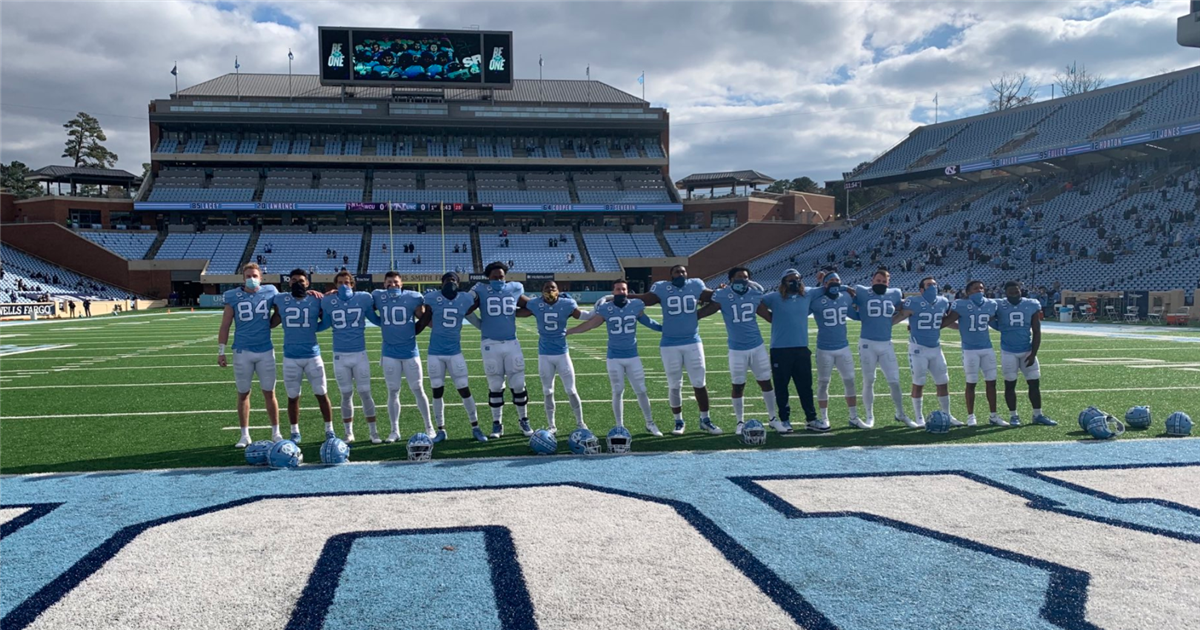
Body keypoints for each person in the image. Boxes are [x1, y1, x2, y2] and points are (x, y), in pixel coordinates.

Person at [623, 264, 719, 435]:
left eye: (683, 271)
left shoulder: (696, 285)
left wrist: (700, 313)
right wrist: (622, 295)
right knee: (674, 384)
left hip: (693, 341)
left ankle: (705, 419)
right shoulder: (662, 288)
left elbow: (716, 298)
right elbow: (645, 299)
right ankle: (678, 421)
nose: (680, 274)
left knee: (699, 382)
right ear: (671, 275)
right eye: (677, 272)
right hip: (670, 343)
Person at [566, 279, 664, 436]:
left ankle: (650, 423)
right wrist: (569, 331)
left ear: (628, 291)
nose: (621, 292)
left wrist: (662, 328)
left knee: (641, 390)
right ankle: (619, 425)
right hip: (614, 358)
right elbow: (590, 324)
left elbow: (647, 321)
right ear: (613, 292)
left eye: (624, 289)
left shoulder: (635, 305)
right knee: (617, 391)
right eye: (618, 289)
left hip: (633, 356)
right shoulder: (606, 308)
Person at [697, 267, 780, 436]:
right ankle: (740, 421)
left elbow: (769, 317)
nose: (743, 280)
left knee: (765, 382)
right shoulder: (722, 295)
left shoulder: (755, 295)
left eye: (746, 277)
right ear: (731, 279)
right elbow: (704, 310)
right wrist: (687, 316)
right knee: (737, 385)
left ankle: (773, 418)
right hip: (736, 349)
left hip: (757, 346)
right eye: (739, 277)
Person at [217, 262, 282, 448]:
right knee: (243, 393)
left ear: (261, 277)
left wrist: (272, 322)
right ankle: (244, 435)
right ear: (242, 278)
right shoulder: (232, 296)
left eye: (254, 275)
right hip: (241, 351)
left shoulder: (271, 291)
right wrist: (221, 351)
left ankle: (276, 431)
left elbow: (279, 312)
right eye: (248, 276)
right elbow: (225, 325)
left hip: (265, 350)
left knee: (270, 392)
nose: (251, 279)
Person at [417, 272, 487, 442]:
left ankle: (475, 426)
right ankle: (441, 429)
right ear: (442, 283)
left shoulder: (464, 298)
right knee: (437, 391)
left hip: (455, 353)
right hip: (435, 353)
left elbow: (476, 304)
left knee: (464, 388)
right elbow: (422, 315)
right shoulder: (432, 297)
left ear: (458, 283)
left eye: (454, 280)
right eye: (448, 280)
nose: (451, 282)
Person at [517, 280, 591, 434]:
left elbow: (583, 315)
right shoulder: (535, 304)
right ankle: (552, 425)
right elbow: (517, 311)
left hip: (562, 353)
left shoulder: (567, 303)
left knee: (571, 390)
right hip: (544, 355)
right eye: (546, 287)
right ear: (541, 291)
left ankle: (580, 422)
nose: (550, 290)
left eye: (553, 287)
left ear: (558, 290)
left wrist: (600, 307)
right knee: (547, 391)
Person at [270, 268, 334, 442]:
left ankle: (329, 429)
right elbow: (273, 319)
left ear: (308, 283)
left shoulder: (315, 299)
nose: (298, 283)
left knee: (322, 393)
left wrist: (331, 293)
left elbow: (327, 315)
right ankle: (294, 431)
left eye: (301, 280)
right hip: (291, 356)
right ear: (288, 282)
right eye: (294, 280)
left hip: (312, 354)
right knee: (292, 396)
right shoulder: (280, 299)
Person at [470, 262, 532, 438]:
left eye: (501, 276)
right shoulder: (480, 290)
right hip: (490, 343)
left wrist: (514, 313)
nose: (499, 279)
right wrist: (480, 325)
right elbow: (466, 308)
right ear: (488, 278)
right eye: (495, 277)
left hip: (511, 342)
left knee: (519, 384)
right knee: (495, 385)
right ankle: (497, 424)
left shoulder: (514, 288)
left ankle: (524, 420)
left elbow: (529, 307)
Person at [760, 268, 824, 432]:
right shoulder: (774, 297)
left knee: (805, 386)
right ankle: (784, 419)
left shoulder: (807, 294)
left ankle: (811, 418)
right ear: (783, 283)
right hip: (780, 349)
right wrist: (770, 318)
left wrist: (844, 287)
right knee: (782, 387)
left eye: (797, 279)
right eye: (790, 280)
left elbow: (830, 286)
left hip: (801, 348)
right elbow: (756, 302)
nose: (795, 282)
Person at [373, 271, 434, 443]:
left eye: (396, 281)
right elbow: (366, 308)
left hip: (409, 351)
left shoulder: (413, 297)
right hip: (390, 352)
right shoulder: (377, 296)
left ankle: (429, 427)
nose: (393, 285)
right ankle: (394, 430)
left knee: (418, 389)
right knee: (393, 391)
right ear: (384, 284)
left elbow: (424, 319)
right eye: (389, 282)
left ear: (402, 283)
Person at [321, 270, 382, 444]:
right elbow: (324, 323)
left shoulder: (363, 298)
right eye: (340, 282)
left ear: (353, 284)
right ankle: (348, 432)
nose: (343, 285)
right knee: (346, 393)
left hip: (359, 354)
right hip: (340, 355)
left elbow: (375, 319)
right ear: (335, 285)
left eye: (347, 282)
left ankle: (373, 431)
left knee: (365, 392)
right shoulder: (329, 301)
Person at [850, 268, 914, 427]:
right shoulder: (862, 291)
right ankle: (869, 416)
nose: (881, 283)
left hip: (886, 343)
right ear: (872, 280)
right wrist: (857, 315)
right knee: (869, 380)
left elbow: (903, 310)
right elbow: (847, 301)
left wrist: (895, 321)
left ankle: (900, 413)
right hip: (867, 343)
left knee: (894, 381)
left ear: (888, 282)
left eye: (884, 281)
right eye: (878, 281)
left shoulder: (894, 293)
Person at [892, 277, 959, 426]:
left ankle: (947, 414)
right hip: (918, 348)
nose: (933, 287)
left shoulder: (942, 301)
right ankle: (919, 416)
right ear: (921, 289)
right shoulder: (913, 302)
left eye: (934, 284)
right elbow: (900, 316)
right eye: (929, 285)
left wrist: (963, 327)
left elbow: (945, 322)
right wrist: (883, 327)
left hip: (936, 348)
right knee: (919, 382)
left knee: (943, 381)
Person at [993, 281, 1057, 427]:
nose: (1015, 295)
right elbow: (988, 315)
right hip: (1008, 351)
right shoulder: (998, 304)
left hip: (1027, 349)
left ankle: (1037, 414)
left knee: (1034, 383)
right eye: (1011, 293)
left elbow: (1036, 330)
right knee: (1010, 384)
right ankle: (1013, 416)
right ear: (1005, 293)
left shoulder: (1031, 304)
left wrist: (1033, 353)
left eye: (1017, 291)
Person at [943, 280, 1005, 426]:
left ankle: (994, 415)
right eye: (976, 289)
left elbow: (993, 320)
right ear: (968, 292)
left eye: (982, 288)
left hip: (987, 348)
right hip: (970, 349)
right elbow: (948, 321)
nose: (979, 291)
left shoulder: (991, 304)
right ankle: (971, 416)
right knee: (971, 383)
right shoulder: (961, 304)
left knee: (992, 382)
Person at [808, 272, 861, 428]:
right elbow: (801, 311)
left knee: (850, 380)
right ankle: (824, 417)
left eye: (838, 280)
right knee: (823, 382)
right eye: (831, 280)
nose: (835, 283)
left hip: (843, 347)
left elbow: (856, 316)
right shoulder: (817, 300)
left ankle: (853, 416)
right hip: (824, 348)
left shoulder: (845, 297)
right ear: (824, 283)